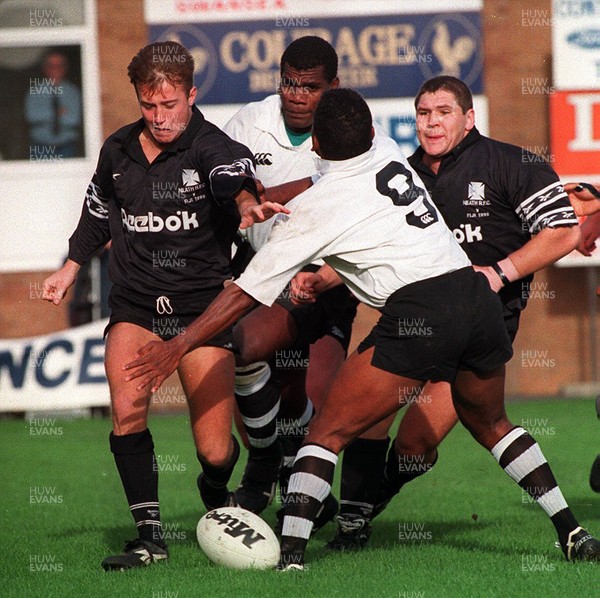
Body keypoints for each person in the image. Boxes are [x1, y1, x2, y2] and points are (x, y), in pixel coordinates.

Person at [121, 88, 600, 569]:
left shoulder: (316, 213)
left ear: (316, 146)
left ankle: (289, 560)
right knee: (494, 425)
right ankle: (572, 532)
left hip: (420, 314)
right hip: (478, 303)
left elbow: (244, 293)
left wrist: (179, 343)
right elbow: (323, 182)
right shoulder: (387, 153)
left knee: (323, 435)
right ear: (372, 133)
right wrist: (265, 197)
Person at [41, 41, 284, 571]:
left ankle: (216, 488)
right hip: (134, 303)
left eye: (170, 105)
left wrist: (246, 203)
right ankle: (149, 536)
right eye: (150, 106)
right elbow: (98, 215)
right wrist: (70, 266)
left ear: (191, 95)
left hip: (201, 313)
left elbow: (233, 181)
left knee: (216, 450)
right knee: (127, 412)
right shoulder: (118, 150)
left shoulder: (211, 146)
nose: (160, 117)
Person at [326, 76, 584, 550]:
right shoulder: (400, 176)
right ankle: (351, 525)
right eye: (423, 113)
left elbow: (564, 232)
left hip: (477, 331)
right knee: (369, 419)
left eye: (444, 112)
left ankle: (371, 499)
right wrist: (318, 276)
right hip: (411, 323)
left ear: (469, 118)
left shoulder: (512, 163)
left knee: (416, 447)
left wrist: (498, 273)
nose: (431, 122)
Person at [221, 36, 356, 525]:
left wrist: (281, 189)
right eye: (288, 83)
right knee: (243, 352)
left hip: (322, 279)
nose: (296, 94)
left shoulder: (352, 130)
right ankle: (267, 473)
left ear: (333, 87)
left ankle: (302, 491)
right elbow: (222, 183)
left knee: (311, 405)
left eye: (310, 86)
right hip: (259, 273)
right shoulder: (247, 123)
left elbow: (353, 197)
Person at [24, 50, 83, 158]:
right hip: (40, 147)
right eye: (51, 65)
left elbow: (74, 119)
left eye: (60, 65)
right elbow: (31, 116)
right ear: (44, 68)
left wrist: (45, 115)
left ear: (65, 68)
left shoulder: (73, 92)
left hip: (67, 146)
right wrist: (56, 112)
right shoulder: (34, 91)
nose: (55, 69)